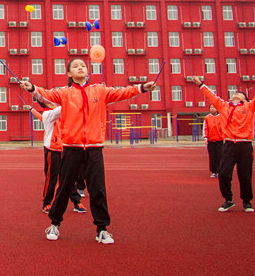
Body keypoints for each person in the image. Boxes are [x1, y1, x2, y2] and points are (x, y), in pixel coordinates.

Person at [20, 58, 154, 245]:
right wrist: (32, 88)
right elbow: (46, 95)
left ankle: (102, 229)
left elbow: (122, 92)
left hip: (94, 148)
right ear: (69, 74)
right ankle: (55, 224)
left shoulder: (100, 90)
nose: (80, 68)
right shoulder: (65, 93)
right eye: (75, 66)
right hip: (71, 147)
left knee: (98, 189)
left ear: (87, 71)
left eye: (83, 65)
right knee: (65, 187)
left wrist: (142, 88)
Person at [193, 76, 255, 212]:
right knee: (223, 173)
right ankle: (228, 199)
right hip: (228, 145)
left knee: (245, 175)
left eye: (239, 94)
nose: (235, 94)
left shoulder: (250, 106)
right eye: (234, 93)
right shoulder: (223, 106)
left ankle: (247, 201)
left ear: (244, 99)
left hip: (245, 145)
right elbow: (211, 96)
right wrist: (200, 84)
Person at [29, 95, 86, 214]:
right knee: (52, 178)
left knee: (69, 176)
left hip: (65, 148)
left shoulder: (59, 111)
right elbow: (63, 108)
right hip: (53, 150)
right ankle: (47, 203)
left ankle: (76, 201)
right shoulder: (49, 114)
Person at [202, 105, 224, 178]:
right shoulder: (207, 118)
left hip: (220, 140)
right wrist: (205, 137)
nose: (212, 109)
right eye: (211, 107)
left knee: (220, 156)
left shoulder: (221, 117)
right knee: (212, 156)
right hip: (211, 140)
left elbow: (224, 128)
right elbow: (205, 128)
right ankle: (213, 171)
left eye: (214, 107)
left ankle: (219, 171)